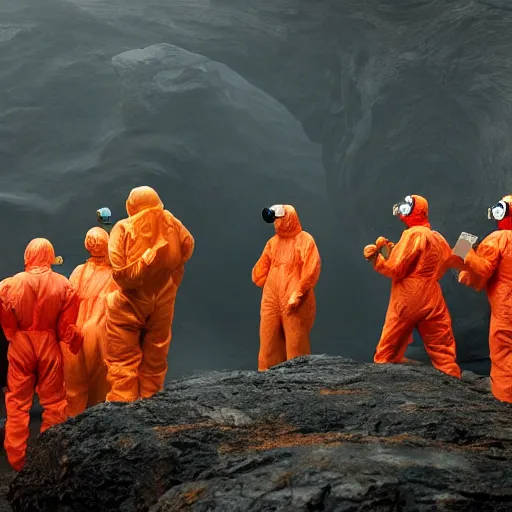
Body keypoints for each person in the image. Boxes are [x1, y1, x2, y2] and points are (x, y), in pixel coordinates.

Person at [105, 186, 194, 402]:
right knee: (156, 356)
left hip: (130, 301)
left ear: (131, 205)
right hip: (163, 298)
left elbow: (119, 273)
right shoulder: (171, 221)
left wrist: (145, 261)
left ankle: (122, 405)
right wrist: (170, 279)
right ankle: (152, 401)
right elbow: (188, 246)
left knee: (123, 359)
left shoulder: (123, 227)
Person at [0, 238, 82, 471]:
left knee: (16, 404)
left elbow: (4, 315)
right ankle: (49, 456)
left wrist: (12, 333)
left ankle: (17, 461)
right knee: (55, 403)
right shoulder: (63, 285)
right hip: (48, 344)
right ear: (50, 255)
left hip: (21, 343)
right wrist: (74, 341)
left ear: (28, 255)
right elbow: (67, 328)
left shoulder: (10, 284)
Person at [363, 194, 461, 378]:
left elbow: (396, 268)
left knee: (390, 342)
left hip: (409, 295)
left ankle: (382, 373)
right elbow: (452, 258)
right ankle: (451, 374)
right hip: (432, 295)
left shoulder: (413, 234)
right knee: (441, 344)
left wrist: (376, 259)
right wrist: (468, 247)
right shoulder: (435, 236)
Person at [457, 194, 512, 403]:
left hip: (506, 309)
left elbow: (482, 269)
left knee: (503, 350)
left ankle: (506, 397)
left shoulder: (498, 239)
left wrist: (464, 249)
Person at [252, 204, 321, 371]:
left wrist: (298, 293)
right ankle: (266, 379)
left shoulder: (305, 240)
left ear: (288, 218)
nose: (276, 222)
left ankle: (299, 380)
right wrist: (258, 276)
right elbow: (259, 273)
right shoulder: (273, 243)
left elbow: (311, 269)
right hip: (271, 299)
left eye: (278, 218)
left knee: (295, 342)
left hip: (294, 299)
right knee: (268, 340)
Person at [62, 227, 115, 416]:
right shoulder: (114, 273)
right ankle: (96, 420)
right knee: (98, 379)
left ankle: (73, 420)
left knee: (74, 380)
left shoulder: (78, 271)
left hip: (74, 331)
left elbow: (67, 300)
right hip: (98, 329)